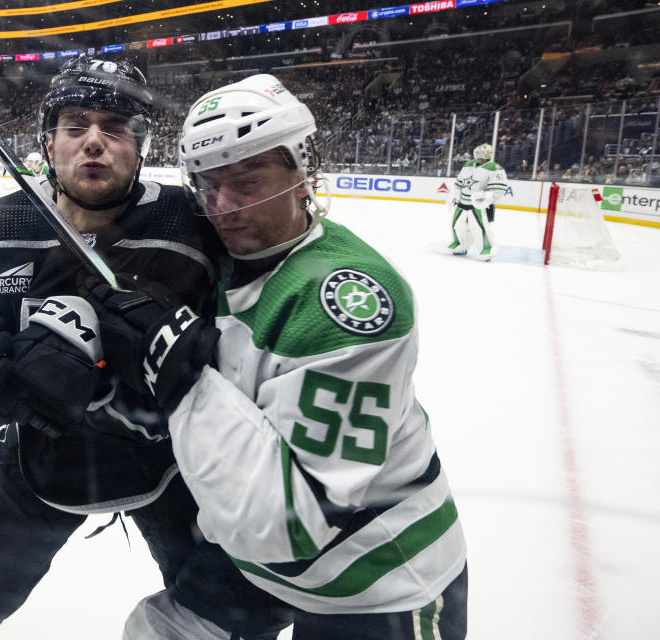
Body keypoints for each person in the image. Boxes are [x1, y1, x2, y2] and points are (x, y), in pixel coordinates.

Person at [0, 55, 291, 640]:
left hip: (173, 464)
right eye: (75, 126)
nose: (94, 143)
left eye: (115, 128)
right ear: (48, 143)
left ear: (142, 146)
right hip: (41, 461)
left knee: (235, 616)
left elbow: (247, 350)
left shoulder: (194, 225)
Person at [83, 74, 468, 639]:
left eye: (247, 180)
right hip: (253, 567)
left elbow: (291, 524)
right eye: (208, 186)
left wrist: (178, 374)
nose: (225, 208)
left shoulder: (346, 297)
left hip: (377, 582)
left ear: (304, 169)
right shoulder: (217, 258)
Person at [448, 143, 507, 261]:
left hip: (478, 205)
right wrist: (454, 195)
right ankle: (460, 244)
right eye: (477, 152)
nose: (478, 155)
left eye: (480, 153)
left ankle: (486, 249)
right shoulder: (468, 165)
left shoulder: (495, 168)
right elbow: (459, 182)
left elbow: (498, 189)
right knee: (456, 225)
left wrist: (487, 197)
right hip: (461, 203)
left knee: (480, 227)